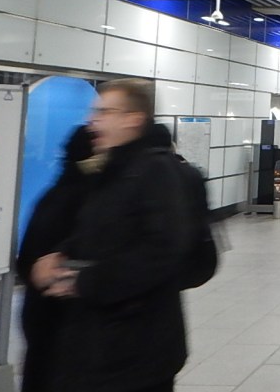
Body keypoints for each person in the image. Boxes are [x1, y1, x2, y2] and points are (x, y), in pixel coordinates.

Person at [32, 79, 191, 392]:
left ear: (133, 119)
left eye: (104, 112)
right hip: (104, 343)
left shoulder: (156, 171)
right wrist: (62, 254)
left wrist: (84, 282)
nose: (93, 121)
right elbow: (101, 229)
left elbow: (162, 252)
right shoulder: (112, 169)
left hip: (138, 351)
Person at [17, 125, 101, 392]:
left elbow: (25, 261)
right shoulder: (88, 202)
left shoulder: (52, 194)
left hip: (38, 312)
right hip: (66, 319)